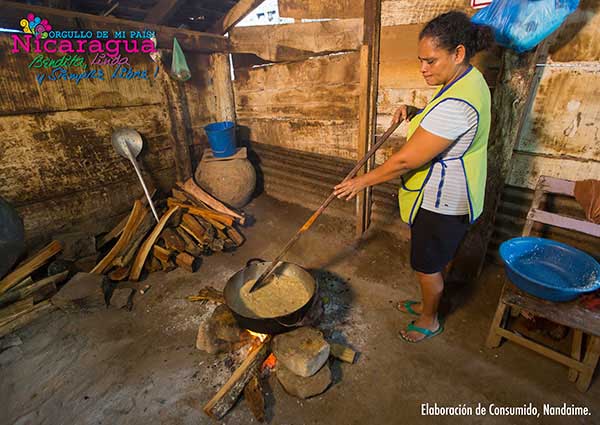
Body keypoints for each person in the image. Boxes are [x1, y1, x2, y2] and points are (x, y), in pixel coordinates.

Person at [333, 11, 493, 343]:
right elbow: (447, 128)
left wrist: (361, 182)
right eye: (421, 60)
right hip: (457, 192)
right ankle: (428, 302)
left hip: (443, 200)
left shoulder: (457, 103)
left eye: (431, 61)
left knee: (427, 265)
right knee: (435, 260)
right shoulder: (468, 80)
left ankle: (429, 318)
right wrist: (417, 113)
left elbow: (406, 160)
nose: (423, 68)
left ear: (458, 53)